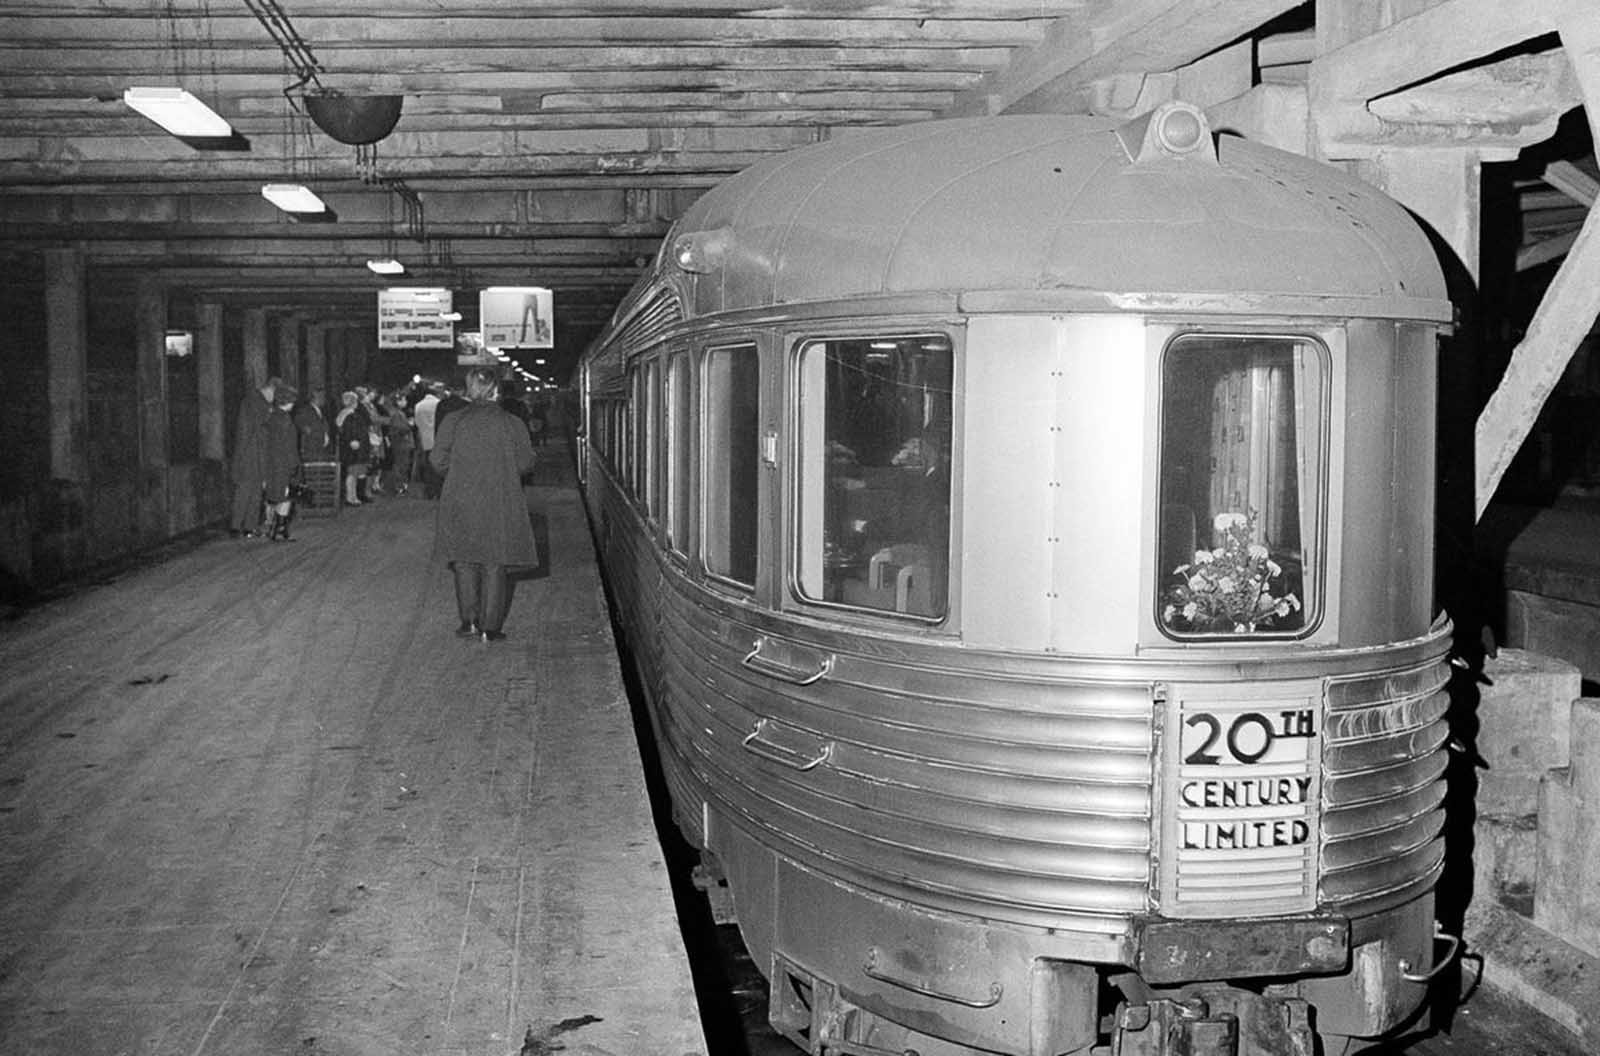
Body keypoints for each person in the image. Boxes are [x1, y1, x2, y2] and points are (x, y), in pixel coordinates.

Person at [430, 367, 538, 643]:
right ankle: (491, 627)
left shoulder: (452, 420)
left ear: (469, 389)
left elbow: (436, 461)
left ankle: (469, 623)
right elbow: (526, 463)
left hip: (460, 498)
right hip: (500, 498)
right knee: (494, 563)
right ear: (496, 390)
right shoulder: (512, 422)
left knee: (464, 561)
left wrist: (459, 475)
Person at [228, 376, 278, 537]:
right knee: (245, 490)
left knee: (255, 492)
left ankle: (249, 527)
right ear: (270, 389)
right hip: (250, 454)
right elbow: (255, 430)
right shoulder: (254, 402)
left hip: (257, 454)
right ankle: (236, 527)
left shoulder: (259, 402)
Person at [262, 385, 301, 541]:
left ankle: (274, 526)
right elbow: (289, 445)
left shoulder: (271, 417)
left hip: (272, 462)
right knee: (286, 497)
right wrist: (293, 465)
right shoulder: (285, 419)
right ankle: (279, 529)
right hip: (284, 464)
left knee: (276, 496)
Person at [335, 390, 370, 506]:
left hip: (349, 448)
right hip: (354, 448)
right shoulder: (351, 416)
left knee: (353, 473)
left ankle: (353, 496)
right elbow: (352, 431)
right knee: (352, 474)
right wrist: (355, 441)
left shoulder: (343, 414)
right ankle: (351, 498)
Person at [413, 383, 442, 499]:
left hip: (425, 439)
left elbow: (417, 423)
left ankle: (429, 490)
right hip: (438, 437)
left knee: (427, 465)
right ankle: (438, 490)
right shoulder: (438, 404)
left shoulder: (418, 405)